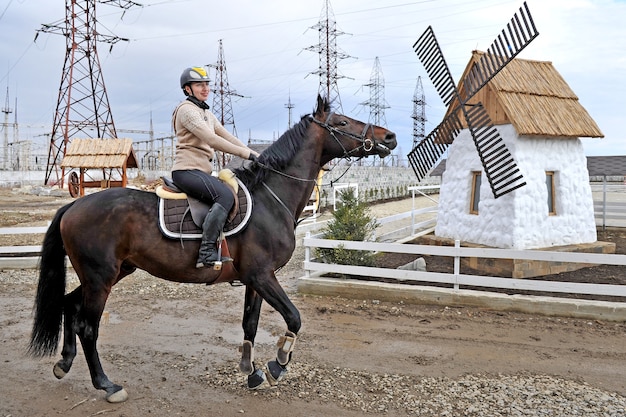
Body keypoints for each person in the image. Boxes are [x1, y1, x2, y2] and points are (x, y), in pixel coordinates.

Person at [171, 66, 259, 268]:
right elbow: (211, 139)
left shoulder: (205, 113)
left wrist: (253, 155)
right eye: (199, 85)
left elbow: (226, 136)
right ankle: (207, 252)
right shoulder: (186, 111)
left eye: (206, 84)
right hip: (186, 171)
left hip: (200, 171)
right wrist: (247, 155)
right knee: (225, 196)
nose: (205, 89)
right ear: (187, 89)